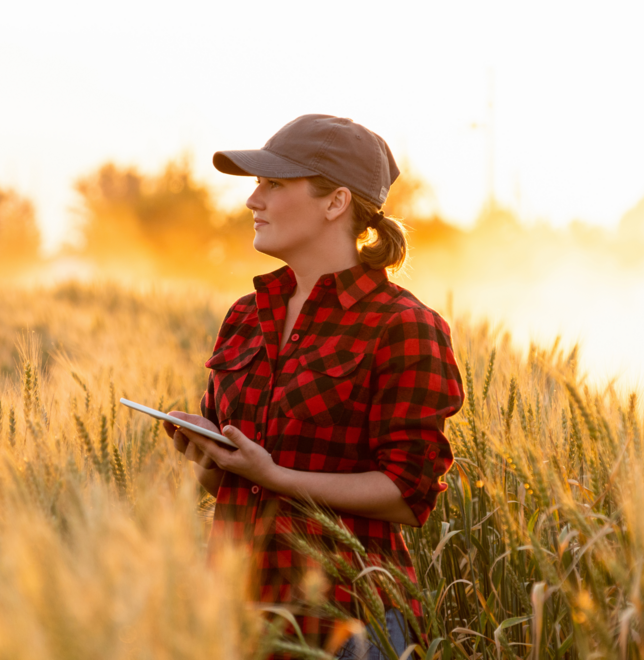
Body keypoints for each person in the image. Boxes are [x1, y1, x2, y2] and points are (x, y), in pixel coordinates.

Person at [164, 115, 464, 659]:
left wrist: (273, 475)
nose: (253, 200)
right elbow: (241, 492)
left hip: (349, 625)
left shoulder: (402, 325)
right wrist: (211, 459)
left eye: (274, 184)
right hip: (239, 616)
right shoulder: (245, 316)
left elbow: (407, 494)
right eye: (258, 184)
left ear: (336, 203)